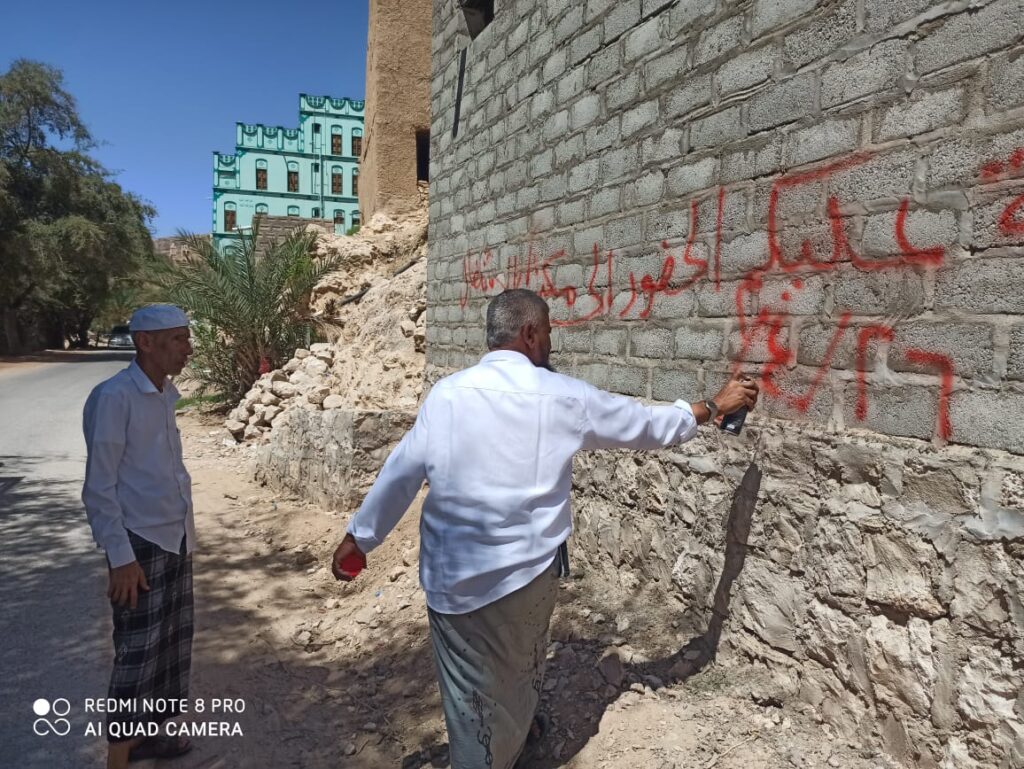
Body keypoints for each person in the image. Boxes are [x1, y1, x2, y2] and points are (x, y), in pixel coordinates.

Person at [331, 288, 758, 769]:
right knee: (522, 664)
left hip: (451, 579)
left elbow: (401, 471)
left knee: (469, 691)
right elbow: (645, 424)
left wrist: (359, 539)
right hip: (528, 577)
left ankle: (511, 738)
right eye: (550, 331)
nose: (551, 342)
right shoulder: (563, 396)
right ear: (530, 333)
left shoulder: (446, 395)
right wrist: (709, 405)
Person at [81, 305, 196, 768]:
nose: (187, 349)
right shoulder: (114, 398)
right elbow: (99, 487)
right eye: (177, 340)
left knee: (171, 646)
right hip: (139, 543)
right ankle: (117, 758)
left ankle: (154, 737)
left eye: (187, 339)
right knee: (136, 653)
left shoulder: (166, 394)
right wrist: (120, 557)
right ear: (144, 342)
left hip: (175, 537)